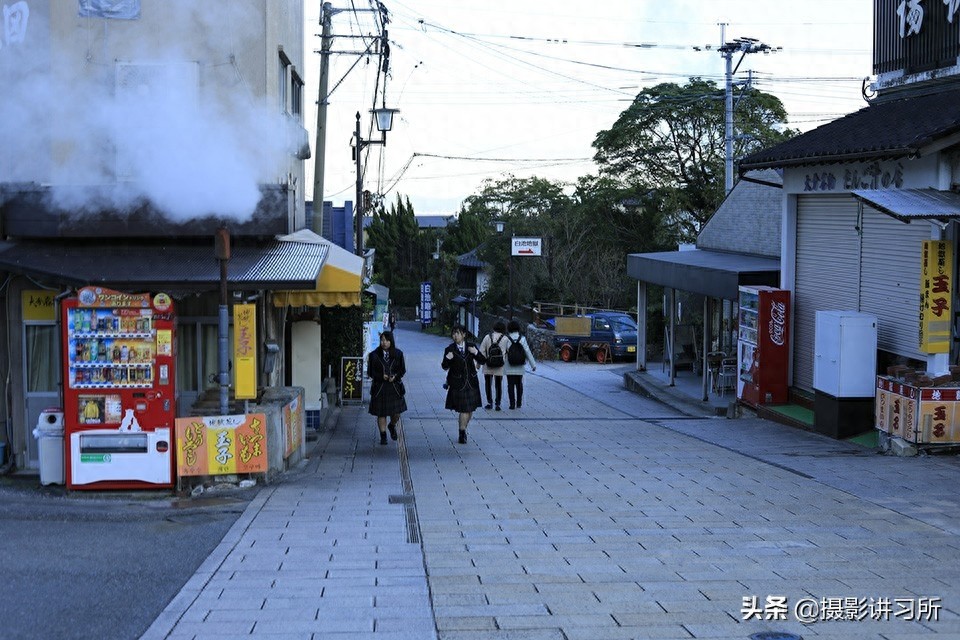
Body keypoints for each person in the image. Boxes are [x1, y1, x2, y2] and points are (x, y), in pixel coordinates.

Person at [441, 324, 486, 444]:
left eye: (458, 333)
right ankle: (462, 433)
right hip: (457, 383)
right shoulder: (450, 349)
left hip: (471, 382)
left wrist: (476, 352)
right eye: (454, 333)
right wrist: (447, 358)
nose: (455, 336)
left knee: (470, 410)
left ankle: (463, 428)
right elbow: (444, 366)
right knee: (464, 409)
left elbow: (482, 360)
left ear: (464, 335)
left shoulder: (471, 346)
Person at [367, 331, 407, 445]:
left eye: (387, 340)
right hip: (379, 387)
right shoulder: (374, 355)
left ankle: (392, 425)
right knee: (381, 413)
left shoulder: (398, 354)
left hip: (394, 388)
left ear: (391, 341)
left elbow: (402, 370)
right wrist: (380, 376)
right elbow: (370, 372)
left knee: (396, 413)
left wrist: (395, 376)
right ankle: (383, 436)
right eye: (382, 340)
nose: (384, 343)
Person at [504, 319, 536, 410]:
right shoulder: (522, 338)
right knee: (519, 384)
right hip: (520, 366)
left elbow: (503, 352)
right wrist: (533, 365)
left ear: (509, 328)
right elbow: (527, 352)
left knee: (510, 385)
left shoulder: (507, 339)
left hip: (509, 366)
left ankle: (512, 404)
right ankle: (519, 403)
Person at [478, 320, 507, 411]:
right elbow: (507, 353)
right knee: (498, 384)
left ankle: (489, 402)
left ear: (494, 328)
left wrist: (478, 364)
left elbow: (482, 351)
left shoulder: (487, 337)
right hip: (500, 366)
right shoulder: (505, 339)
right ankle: (497, 404)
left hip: (488, 364)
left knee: (488, 384)